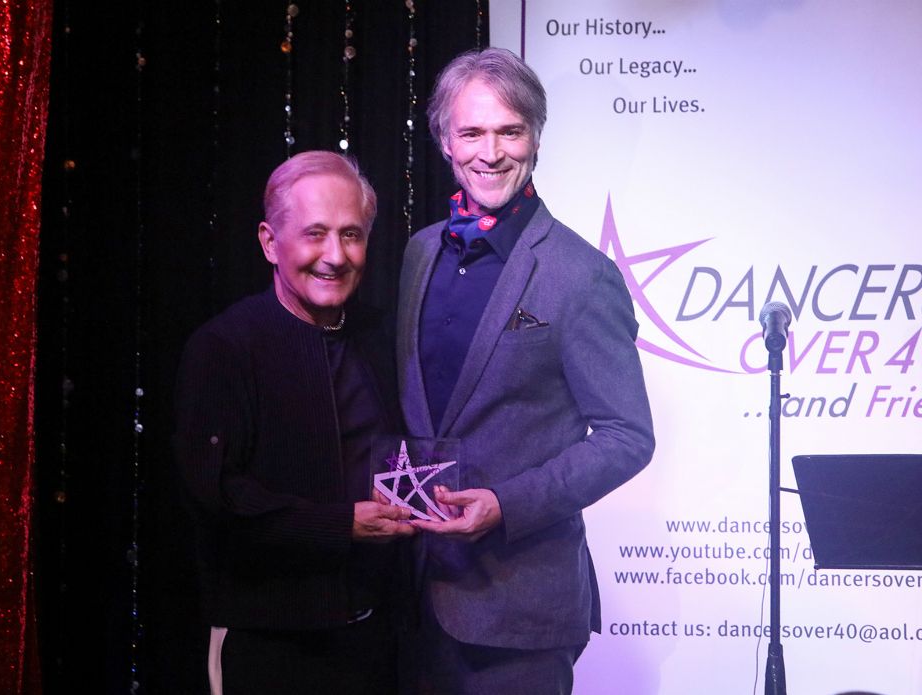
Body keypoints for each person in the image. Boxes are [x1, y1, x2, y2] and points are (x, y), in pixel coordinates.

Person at [397, 48, 655, 693]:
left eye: (510, 130)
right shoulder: (419, 252)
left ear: (536, 139)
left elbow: (628, 436)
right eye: (472, 132)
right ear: (445, 142)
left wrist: (506, 505)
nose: (491, 151)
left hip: (520, 608)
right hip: (412, 597)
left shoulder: (581, 274)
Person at [173, 151, 415, 695]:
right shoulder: (225, 348)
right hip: (272, 646)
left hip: (378, 641)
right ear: (268, 242)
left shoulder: (381, 337)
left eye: (351, 235)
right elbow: (214, 496)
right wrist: (339, 524)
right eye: (315, 234)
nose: (335, 256)